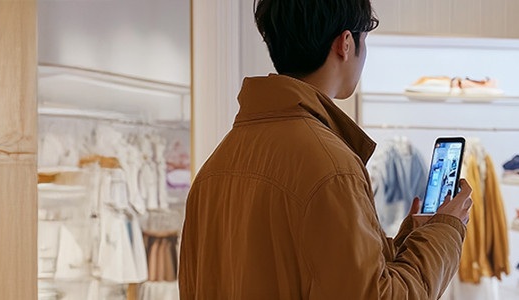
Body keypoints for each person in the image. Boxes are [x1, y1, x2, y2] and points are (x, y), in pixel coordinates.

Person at [178, 0, 473, 298]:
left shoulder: (214, 167)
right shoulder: (331, 167)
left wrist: (411, 239)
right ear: (346, 43)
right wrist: (445, 232)